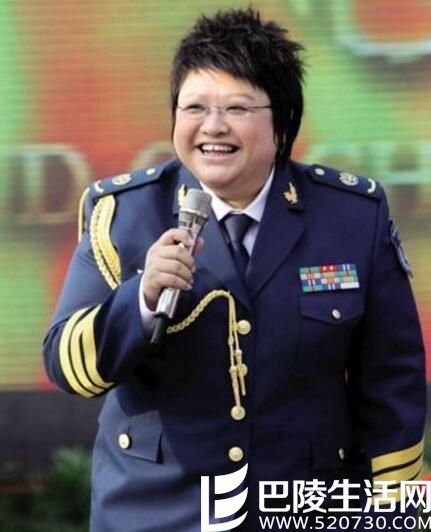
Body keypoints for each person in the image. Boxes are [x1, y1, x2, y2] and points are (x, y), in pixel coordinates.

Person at [43, 8, 426, 532]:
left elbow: (392, 386)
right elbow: (68, 367)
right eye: (194, 107)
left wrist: (394, 517)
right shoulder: (123, 215)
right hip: (158, 514)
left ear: (282, 121)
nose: (213, 126)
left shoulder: (352, 216)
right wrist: (143, 298)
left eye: (237, 108)